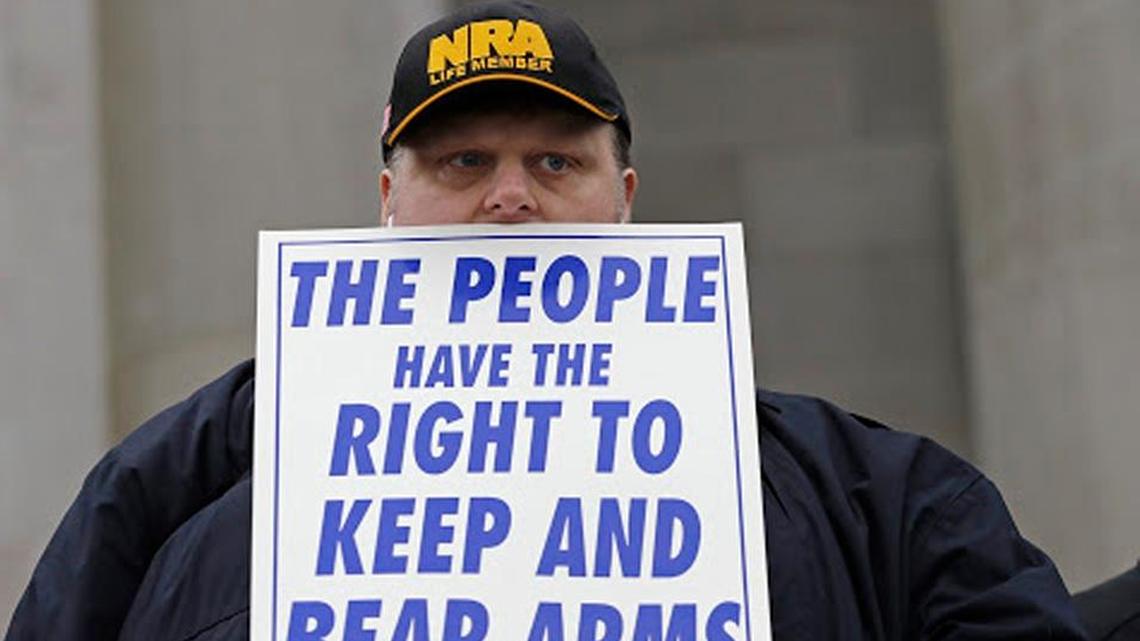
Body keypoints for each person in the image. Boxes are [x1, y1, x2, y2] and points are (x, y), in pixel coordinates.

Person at [5, 2, 1088, 640]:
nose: (510, 196)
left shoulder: (871, 494)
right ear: (389, 204)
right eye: (464, 161)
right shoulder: (164, 501)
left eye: (555, 160)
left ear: (625, 198)